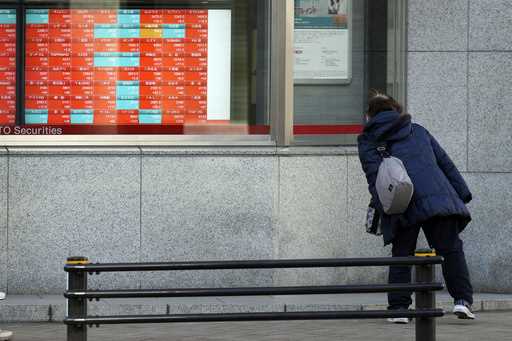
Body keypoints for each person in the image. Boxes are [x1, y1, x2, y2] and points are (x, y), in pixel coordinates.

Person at [357, 90, 475, 324]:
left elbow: (375, 178)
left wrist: (383, 210)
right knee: (450, 250)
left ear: (369, 116)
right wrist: (462, 194)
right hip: (438, 198)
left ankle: (399, 309)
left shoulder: (368, 141)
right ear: (396, 110)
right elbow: (445, 163)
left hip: (403, 202)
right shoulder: (417, 130)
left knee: (402, 254)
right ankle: (462, 301)